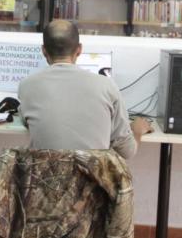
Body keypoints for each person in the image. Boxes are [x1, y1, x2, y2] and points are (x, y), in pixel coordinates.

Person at [17, 20, 152, 159]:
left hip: (45, 173)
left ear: (43, 50)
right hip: (93, 173)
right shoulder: (106, 86)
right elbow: (127, 152)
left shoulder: (27, 85)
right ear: (79, 49)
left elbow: (26, 120)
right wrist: (137, 130)